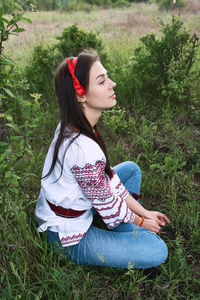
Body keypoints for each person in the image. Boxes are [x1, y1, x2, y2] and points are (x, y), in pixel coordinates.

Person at [35, 49, 170, 270]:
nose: (112, 83)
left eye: (107, 77)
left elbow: (110, 182)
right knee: (157, 250)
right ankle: (123, 229)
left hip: (82, 202)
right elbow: (108, 202)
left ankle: (119, 225)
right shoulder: (82, 149)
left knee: (131, 170)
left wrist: (144, 213)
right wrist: (143, 222)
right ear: (80, 94)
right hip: (67, 237)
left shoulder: (75, 124)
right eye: (102, 81)